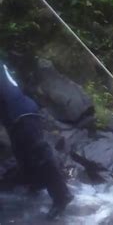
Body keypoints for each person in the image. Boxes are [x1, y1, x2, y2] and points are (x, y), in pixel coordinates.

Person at [0, 62, 73, 219]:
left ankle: (62, 196)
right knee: (24, 156)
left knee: (40, 153)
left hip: (21, 115)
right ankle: (35, 184)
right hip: (18, 116)